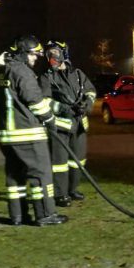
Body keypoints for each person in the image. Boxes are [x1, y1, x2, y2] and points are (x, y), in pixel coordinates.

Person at [0, 36, 67, 227]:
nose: (36, 59)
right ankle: (46, 214)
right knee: (41, 174)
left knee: (15, 176)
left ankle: (18, 215)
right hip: (27, 133)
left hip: (7, 135)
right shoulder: (22, 71)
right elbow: (34, 99)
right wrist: (50, 119)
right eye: (34, 55)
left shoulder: (3, 71)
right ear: (24, 53)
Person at [39, 39, 96, 206]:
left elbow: (91, 91)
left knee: (77, 160)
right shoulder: (46, 77)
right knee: (59, 163)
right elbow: (45, 101)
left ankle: (73, 189)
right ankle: (60, 194)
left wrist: (87, 104)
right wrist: (64, 108)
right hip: (60, 127)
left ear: (64, 53)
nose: (51, 56)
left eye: (55, 52)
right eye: (49, 53)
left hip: (79, 126)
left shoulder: (77, 74)